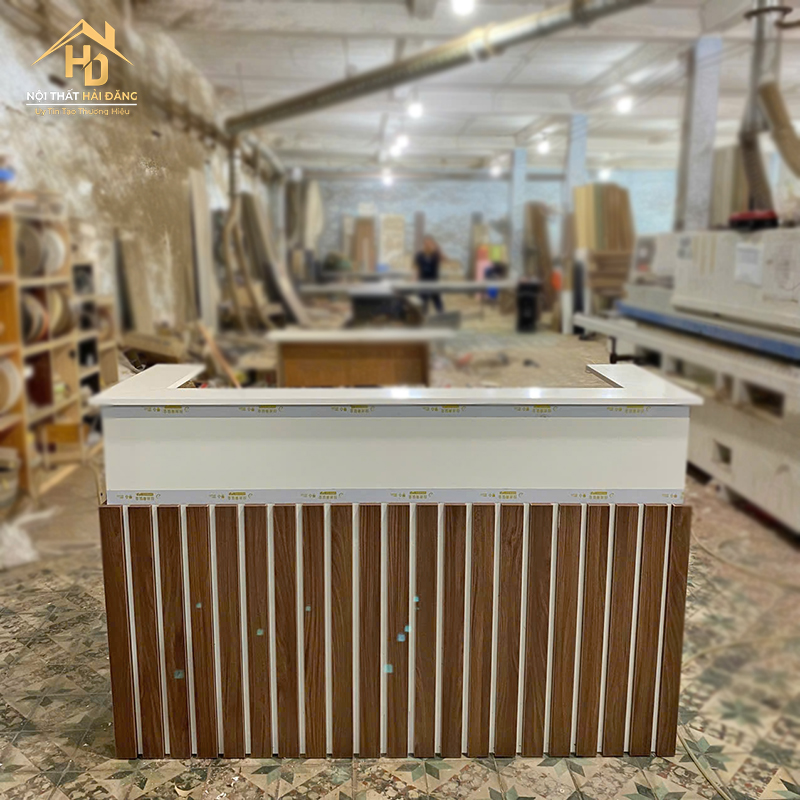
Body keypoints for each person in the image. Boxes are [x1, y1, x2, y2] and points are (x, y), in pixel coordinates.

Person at [414, 235, 444, 314]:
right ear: (424, 244)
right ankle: (423, 317)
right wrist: (414, 280)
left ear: (432, 244)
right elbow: (416, 269)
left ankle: (442, 317)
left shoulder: (436, 254)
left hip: (434, 281)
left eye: (430, 243)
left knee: (437, 302)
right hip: (422, 282)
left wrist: (437, 247)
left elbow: (444, 259)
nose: (427, 245)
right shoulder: (419, 255)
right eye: (426, 243)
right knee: (422, 303)